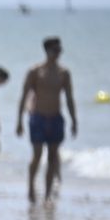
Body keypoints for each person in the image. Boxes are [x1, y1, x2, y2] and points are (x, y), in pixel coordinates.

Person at [14, 37, 77, 202]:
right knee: (36, 155)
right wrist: (19, 121)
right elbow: (23, 96)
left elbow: (70, 98)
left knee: (52, 157)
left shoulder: (64, 73)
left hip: (56, 118)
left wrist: (74, 121)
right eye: (55, 50)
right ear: (47, 51)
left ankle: (48, 194)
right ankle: (31, 188)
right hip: (38, 118)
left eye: (59, 50)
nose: (58, 54)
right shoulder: (35, 71)